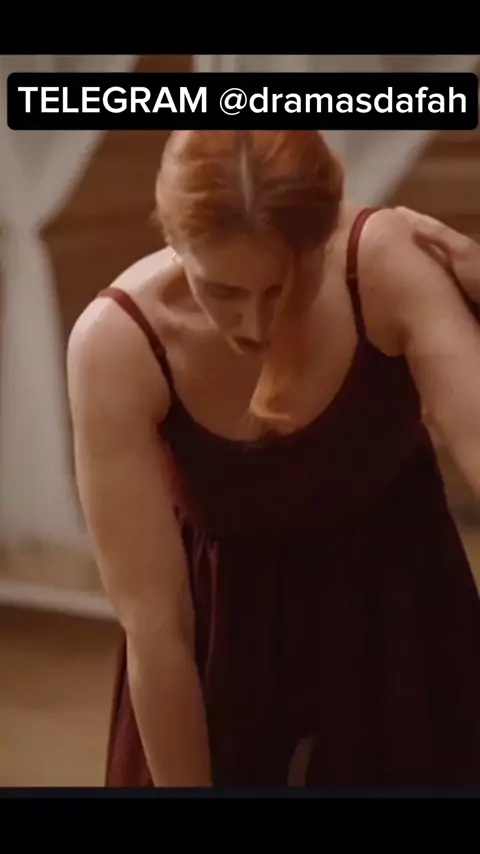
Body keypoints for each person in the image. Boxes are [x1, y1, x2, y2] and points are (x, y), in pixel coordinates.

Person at [67, 130, 480, 789]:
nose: (255, 326)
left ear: (323, 240)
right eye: (223, 292)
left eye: (281, 287)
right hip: (221, 650)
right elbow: (157, 629)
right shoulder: (118, 342)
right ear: (175, 240)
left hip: (400, 623)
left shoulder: (381, 264)